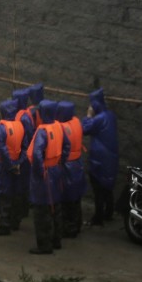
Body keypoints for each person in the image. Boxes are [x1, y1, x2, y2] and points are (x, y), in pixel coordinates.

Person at [26, 99, 69, 254]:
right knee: (56, 207)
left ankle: (44, 245)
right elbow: (67, 146)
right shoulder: (59, 126)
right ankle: (56, 240)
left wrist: (39, 171)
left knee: (42, 210)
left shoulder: (42, 131)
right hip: (56, 170)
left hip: (45, 173)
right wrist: (60, 161)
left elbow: (37, 154)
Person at [81, 87, 120, 226]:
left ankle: (98, 218)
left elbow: (84, 129)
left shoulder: (98, 119)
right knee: (108, 187)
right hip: (111, 158)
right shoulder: (110, 115)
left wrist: (88, 115)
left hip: (99, 159)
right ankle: (109, 213)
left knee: (98, 189)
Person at [0, 98, 26, 236]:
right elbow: (25, 147)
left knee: (1, 194)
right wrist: (18, 164)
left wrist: (10, 165)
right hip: (17, 165)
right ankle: (15, 222)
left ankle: (4, 225)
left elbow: (2, 149)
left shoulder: (1, 127)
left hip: (4, 166)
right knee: (15, 193)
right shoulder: (20, 125)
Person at [56, 100, 87, 238]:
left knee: (65, 199)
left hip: (66, 165)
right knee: (75, 198)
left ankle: (68, 228)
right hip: (78, 164)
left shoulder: (61, 128)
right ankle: (76, 225)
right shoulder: (77, 122)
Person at [11, 88, 36, 226]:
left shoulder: (23, 117)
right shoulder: (25, 114)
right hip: (24, 153)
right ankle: (23, 209)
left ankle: (20, 213)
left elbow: (26, 136)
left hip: (23, 155)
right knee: (23, 183)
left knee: (21, 184)